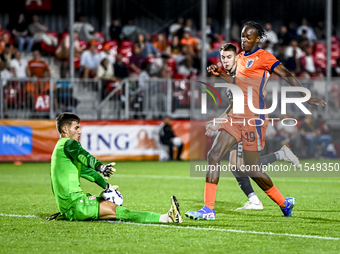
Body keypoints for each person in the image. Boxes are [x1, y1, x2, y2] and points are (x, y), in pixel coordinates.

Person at [185, 21, 325, 220]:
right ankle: (208, 209)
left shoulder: (265, 57)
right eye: (242, 36)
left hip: (254, 119)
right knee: (213, 155)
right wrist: (222, 74)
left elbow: (287, 75)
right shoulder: (240, 58)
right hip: (236, 116)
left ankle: (284, 202)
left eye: (248, 37)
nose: (244, 40)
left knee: (251, 168)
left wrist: (306, 96)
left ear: (258, 39)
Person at [203, 43, 301, 210]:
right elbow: (235, 103)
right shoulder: (232, 76)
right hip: (237, 119)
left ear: (237, 57)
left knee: (245, 166)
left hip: (251, 121)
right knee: (231, 163)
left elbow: (256, 93)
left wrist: (219, 120)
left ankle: (279, 160)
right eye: (223, 57)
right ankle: (253, 200)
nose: (225, 61)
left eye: (229, 57)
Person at [47, 112, 183, 223]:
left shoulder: (60, 150)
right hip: (76, 204)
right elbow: (85, 156)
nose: (80, 131)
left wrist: (106, 186)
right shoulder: (69, 144)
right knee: (120, 212)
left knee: (113, 211)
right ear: (65, 129)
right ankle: (167, 218)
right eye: (76, 127)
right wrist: (100, 167)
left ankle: (167, 217)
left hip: (71, 205)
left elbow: (87, 171)